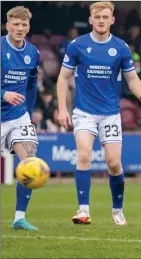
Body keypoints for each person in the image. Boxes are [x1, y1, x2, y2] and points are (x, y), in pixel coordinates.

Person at [56, 1, 141, 226]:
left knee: (114, 164)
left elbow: (131, 77)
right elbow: (63, 77)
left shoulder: (120, 47)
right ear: (90, 20)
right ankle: (83, 210)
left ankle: (117, 210)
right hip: (84, 112)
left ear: (112, 20)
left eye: (105, 17)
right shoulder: (77, 45)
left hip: (110, 114)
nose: (100, 20)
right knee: (84, 155)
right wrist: (61, 108)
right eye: (97, 17)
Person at [1, 6, 40, 230]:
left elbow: (32, 85)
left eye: (23, 24)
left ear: (28, 27)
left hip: (18, 117)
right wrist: (3, 94)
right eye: (15, 24)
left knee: (30, 161)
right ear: (8, 26)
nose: (19, 28)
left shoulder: (33, 52)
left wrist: (30, 111)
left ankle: (19, 217)